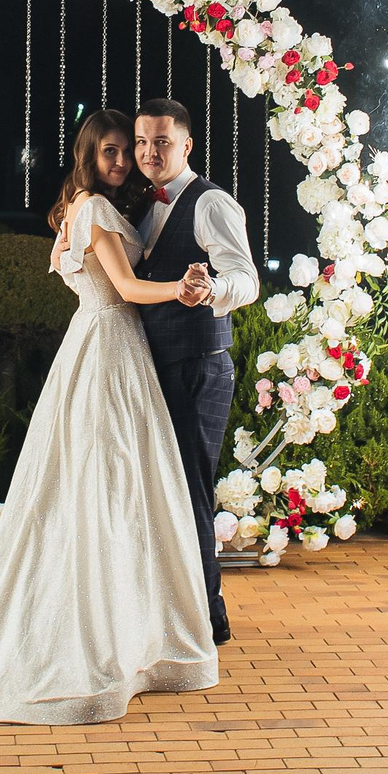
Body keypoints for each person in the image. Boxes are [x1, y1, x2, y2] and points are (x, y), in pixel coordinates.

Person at [0, 109, 219, 723]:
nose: (121, 161)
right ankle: (99, 628)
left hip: (101, 347)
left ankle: (124, 615)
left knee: (110, 480)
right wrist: (181, 289)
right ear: (88, 156)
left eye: (127, 151)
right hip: (110, 346)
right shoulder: (91, 209)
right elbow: (128, 289)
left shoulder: (86, 210)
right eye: (110, 152)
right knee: (107, 480)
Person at [129, 98, 257, 645]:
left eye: (161, 142)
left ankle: (209, 619)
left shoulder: (211, 203)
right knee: (160, 491)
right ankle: (167, 613)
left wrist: (213, 291)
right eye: (141, 142)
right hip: (155, 364)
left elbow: (247, 279)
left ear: (185, 146)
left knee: (190, 492)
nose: (149, 152)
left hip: (198, 366)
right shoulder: (142, 203)